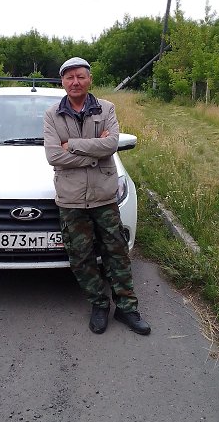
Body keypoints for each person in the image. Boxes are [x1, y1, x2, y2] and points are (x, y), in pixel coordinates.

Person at [43, 57, 151, 335]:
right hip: (71, 199)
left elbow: (111, 144)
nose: (75, 82)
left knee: (117, 253)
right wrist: (95, 153)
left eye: (80, 76)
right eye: (69, 77)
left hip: (104, 196)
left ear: (89, 79)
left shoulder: (106, 108)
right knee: (81, 256)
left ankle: (127, 309)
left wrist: (72, 145)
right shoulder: (52, 114)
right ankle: (99, 304)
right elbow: (53, 155)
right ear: (62, 81)